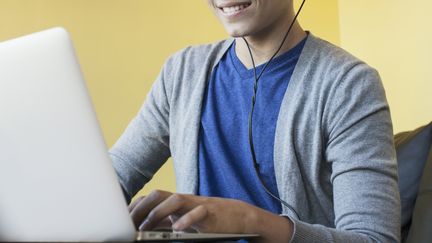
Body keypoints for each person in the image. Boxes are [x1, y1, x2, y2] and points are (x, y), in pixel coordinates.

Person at [109, 0, 401, 242]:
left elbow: (374, 238)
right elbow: (114, 177)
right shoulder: (181, 73)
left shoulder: (349, 85)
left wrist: (249, 220)